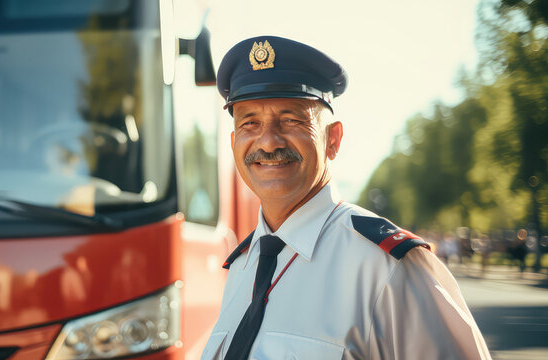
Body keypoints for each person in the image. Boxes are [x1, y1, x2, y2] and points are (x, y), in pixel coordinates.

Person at [201, 36, 491, 360]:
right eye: (250, 122)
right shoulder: (242, 265)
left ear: (333, 139)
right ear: (233, 142)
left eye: (292, 119)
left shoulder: (386, 268)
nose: (268, 142)